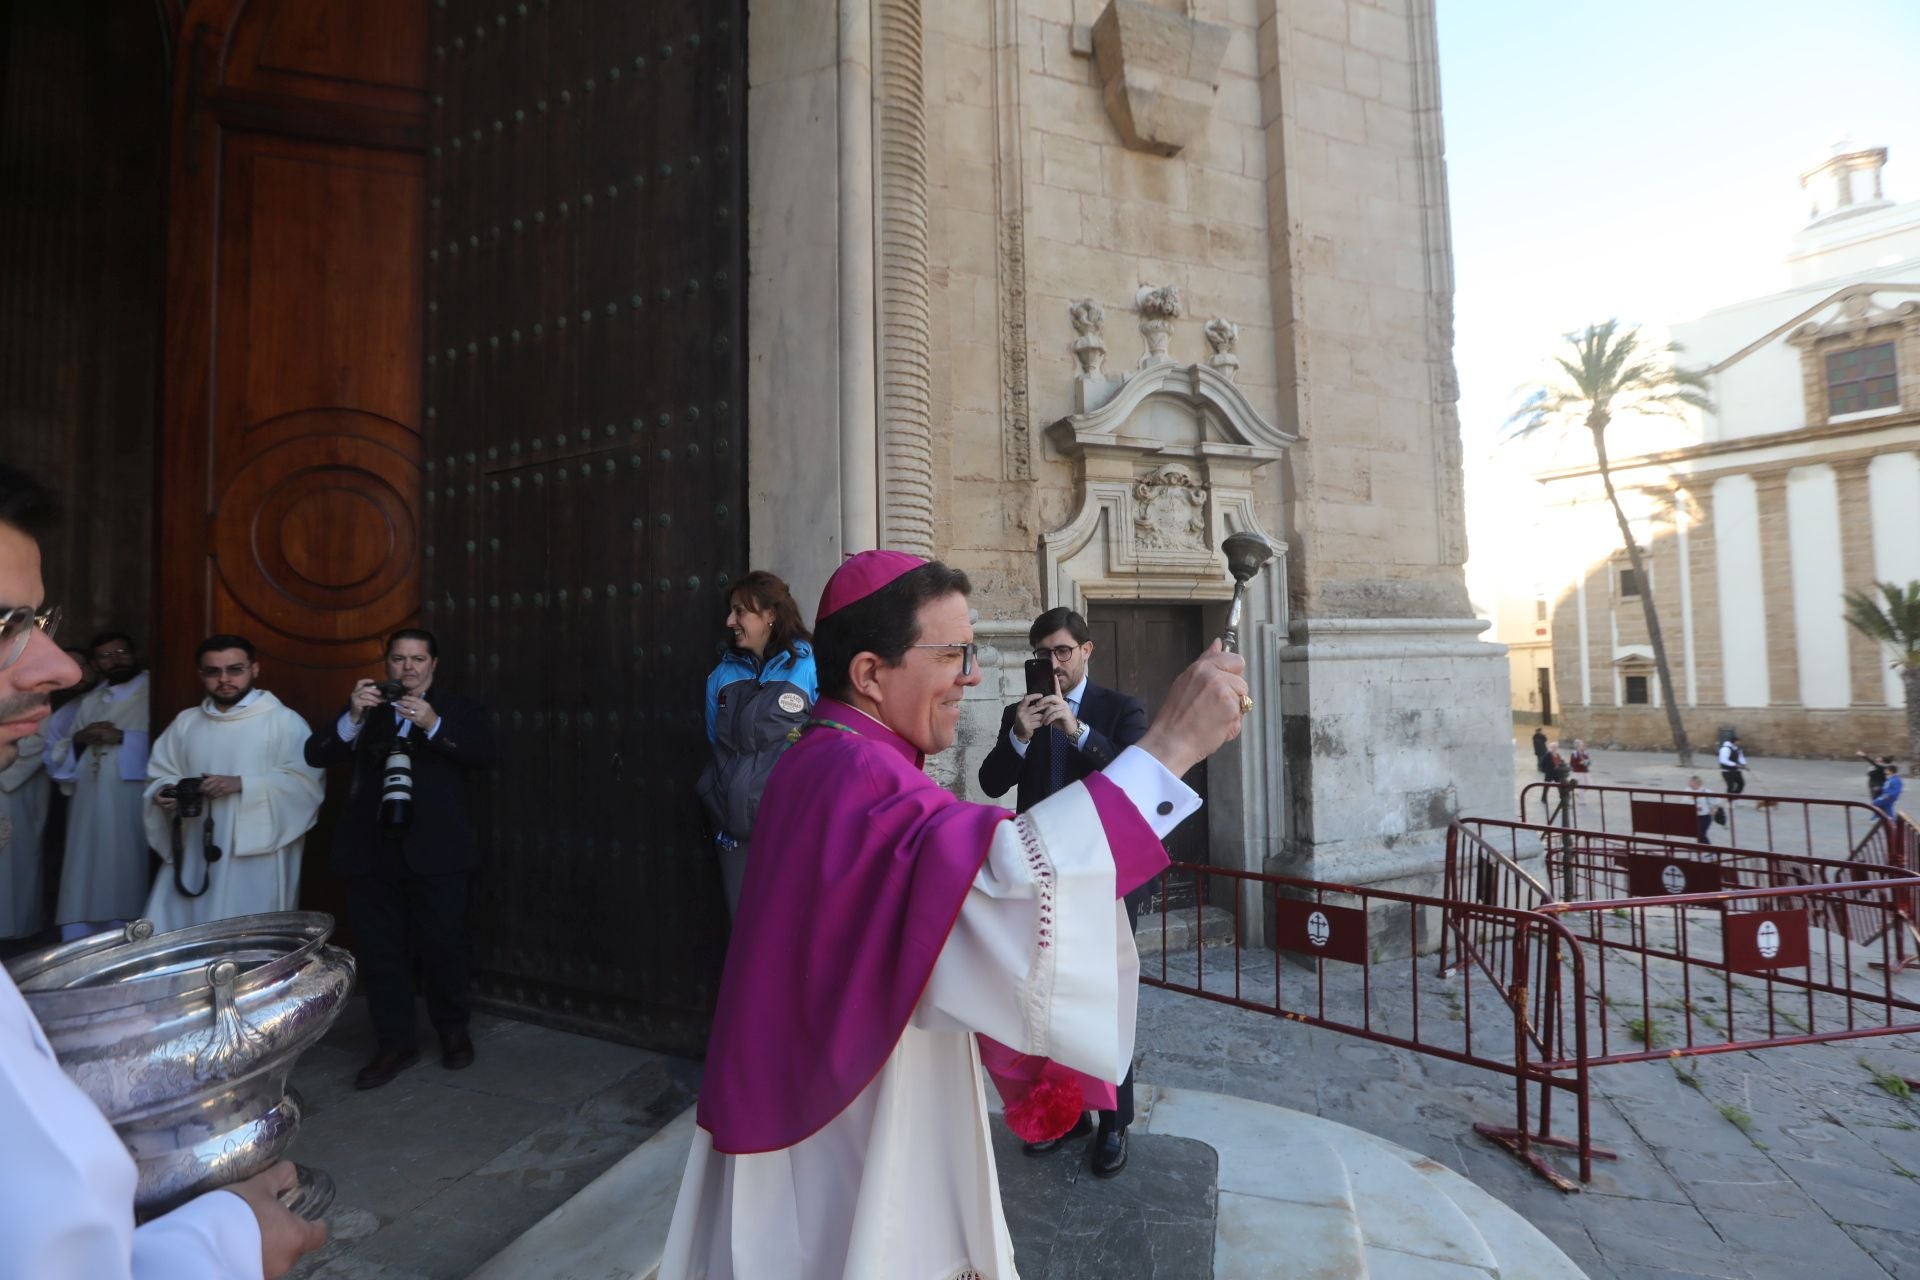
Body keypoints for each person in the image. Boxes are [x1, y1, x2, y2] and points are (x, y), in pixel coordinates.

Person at [659, 550, 1249, 1280]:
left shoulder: (826, 754)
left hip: (809, 1075)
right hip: (851, 1114)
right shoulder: (858, 771)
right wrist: (1170, 748)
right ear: (871, 674)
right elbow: (1003, 880)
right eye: (954, 654)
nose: (971, 675)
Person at [0, 464, 326, 1277]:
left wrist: (242, 791)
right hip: (191, 866)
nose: (62, 667)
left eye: (39, 621)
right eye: (5, 624)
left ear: (252, 672)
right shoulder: (180, 723)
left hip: (246, 871)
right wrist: (182, 796)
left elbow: (301, 788)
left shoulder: (281, 722)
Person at [977, 605, 1148, 1175]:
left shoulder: (1118, 710)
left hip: (1101, 877)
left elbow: (1134, 782)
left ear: (1086, 650)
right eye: (1043, 654)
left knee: (1106, 1003)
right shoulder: (1017, 713)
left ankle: (1114, 1125)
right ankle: (1064, 1113)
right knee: (1046, 1003)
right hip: (1041, 881)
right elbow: (991, 782)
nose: (1053, 664)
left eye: (1063, 652)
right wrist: (1020, 739)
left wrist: (1078, 733)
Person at [305, 628, 497, 1090]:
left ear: (433, 664)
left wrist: (433, 723)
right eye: (398, 659)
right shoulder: (368, 709)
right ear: (386, 663)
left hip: (438, 853)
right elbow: (316, 753)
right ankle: (394, 1044)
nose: (408, 667)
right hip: (372, 854)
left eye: (417, 659)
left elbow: (484, 753)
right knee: (381, 953)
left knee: (445, 947)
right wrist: (352, 715)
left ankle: (453, 1032)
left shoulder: (457, 709)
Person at [140, 635, 325, 933]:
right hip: (194, 851)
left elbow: (306, 784)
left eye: (235, 669)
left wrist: (243, 784)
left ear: (255, 669)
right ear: (201, 674)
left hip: (254, 858)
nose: (224, 679)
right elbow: (160, 774)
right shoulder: (186, 723)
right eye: (212, 672)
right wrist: (165, 793)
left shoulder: (283, 722)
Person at [698, 570, 818, 916]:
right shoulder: (721, 677)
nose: (729, 621)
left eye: (740, 611)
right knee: (744, 932)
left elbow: (829, 744)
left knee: (791, 928)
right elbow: (716, 742)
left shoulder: (811, 668)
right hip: (734, 831)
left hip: (792, 832)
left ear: (770, 615)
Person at [46, 632, 151, 927]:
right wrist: (80, 738)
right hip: (87, 801)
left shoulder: (155, 689)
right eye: (106, 656)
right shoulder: (90, 701)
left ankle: (128, 929)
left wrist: (124, 738)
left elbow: (171, 744)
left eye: (121, 652)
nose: (115, 660)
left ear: (134, 653)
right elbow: (59, 751)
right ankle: (81, 929)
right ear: (95, 663)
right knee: (84, 868)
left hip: (130, 797)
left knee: (125, 865)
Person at [0, 729, 51, 940]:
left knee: (13, 859)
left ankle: (14, 930)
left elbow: (42, 738)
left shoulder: (29, 699)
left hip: (12, 788)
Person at [1687, 775, 1715, 845]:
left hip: (1705, 816)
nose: (1689, 783)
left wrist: (1713, 810)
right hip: (1693, 816)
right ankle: (1702, 850)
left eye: (1691, 782)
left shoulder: (1706, 791)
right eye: (1690, 781)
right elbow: (1683, 802)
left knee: (1701, 834)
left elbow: (1716, 802)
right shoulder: (1687, 791)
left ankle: (1710, 850)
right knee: (1697, 834)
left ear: (1697, 783)